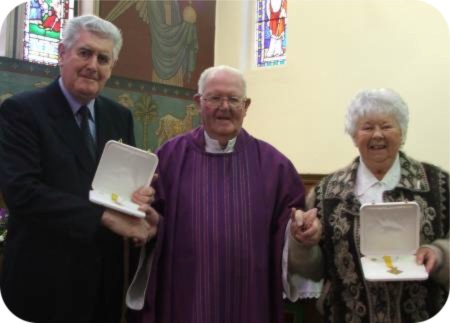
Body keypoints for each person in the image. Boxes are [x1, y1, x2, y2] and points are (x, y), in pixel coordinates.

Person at [126, 65, 322, 323]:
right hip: (187, 296)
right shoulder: (169, 157)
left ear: (246, 105)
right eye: (215, 98)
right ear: (199, 102)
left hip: (250, 297)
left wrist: (299, 233)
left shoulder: (275, 166)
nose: (225, 106)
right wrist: (150, 224)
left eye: (233, 99)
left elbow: (291, 225)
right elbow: (150, 221)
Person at [0, 14, 159, 323]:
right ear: (62, 54)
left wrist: (138, 198)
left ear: (111, 67)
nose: (93, 65)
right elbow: (22, 193)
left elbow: (116, 186)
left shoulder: (120, 116)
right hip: (43, 279)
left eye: (103, 58)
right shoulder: (21, 111)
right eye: (84, 53)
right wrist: (105, 216)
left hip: (104, 280)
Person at [304, 88, 449, 322]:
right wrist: (304, 245)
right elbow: (313, 269)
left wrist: (440, 253)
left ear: (401, 133)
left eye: (386, 126)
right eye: (368, 127)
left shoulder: (439, 185)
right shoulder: (325, 193)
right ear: (354, 136)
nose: (377, 135)